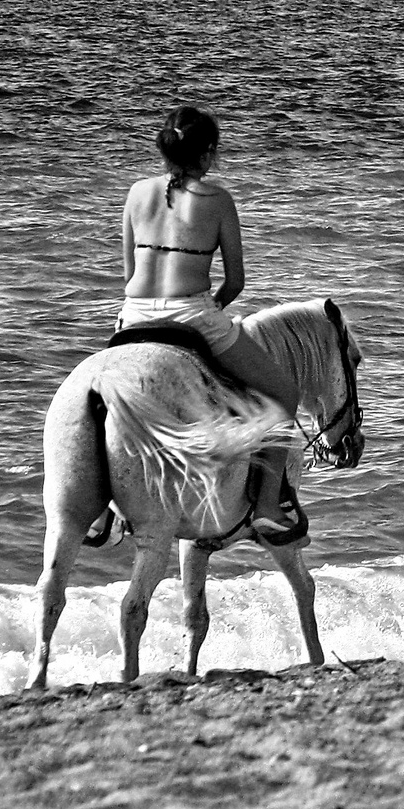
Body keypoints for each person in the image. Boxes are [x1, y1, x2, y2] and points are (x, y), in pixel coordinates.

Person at [109, 105, 304, 541]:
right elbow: (235, 281)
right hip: (192, 313)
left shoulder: (137, 192)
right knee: (284, 393)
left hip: (133, 314)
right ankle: (268, 507)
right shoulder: (218, 200)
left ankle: (105, 510)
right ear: (208, 153)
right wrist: (211, 305)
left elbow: (127, 276)